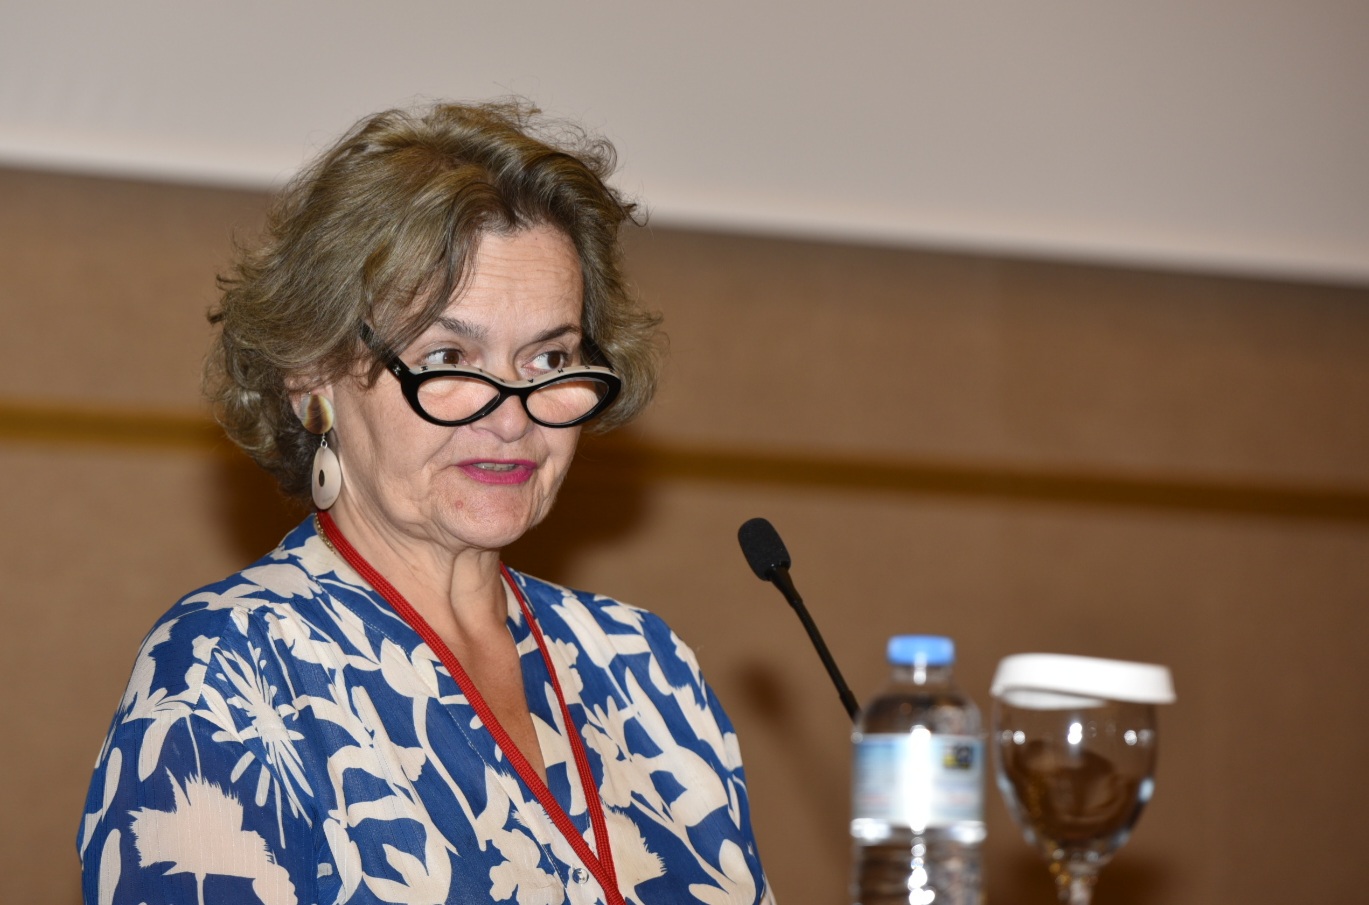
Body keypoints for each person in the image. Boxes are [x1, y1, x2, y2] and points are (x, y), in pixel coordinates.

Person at [77, 101, 774, 905]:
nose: (511, 416)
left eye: (550, 358)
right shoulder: (230, 671)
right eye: (448, 356)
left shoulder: (645, 667)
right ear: (312, 375)